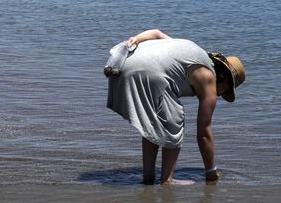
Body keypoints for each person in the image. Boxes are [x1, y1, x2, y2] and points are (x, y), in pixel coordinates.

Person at [105, 29, 246, 185]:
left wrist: (136, 38)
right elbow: (204, 133)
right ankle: (167, 180)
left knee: (153, 122)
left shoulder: (190, 52)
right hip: (147, 73)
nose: (220, 94)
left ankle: (148, 178)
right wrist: (211, 171)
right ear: (225, 79)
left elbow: (157, 34)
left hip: (122, 63)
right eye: (226, 90)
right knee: (175, 117)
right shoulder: (209, 79)